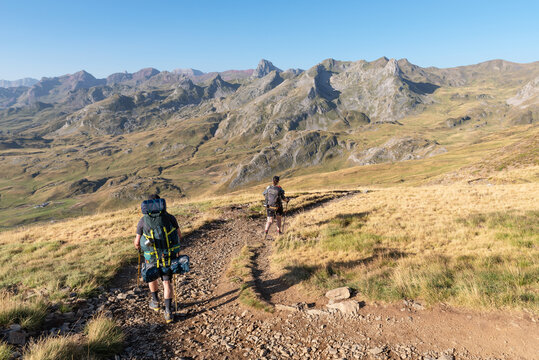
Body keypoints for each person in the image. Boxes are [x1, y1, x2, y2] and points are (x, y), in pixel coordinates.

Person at [134, 194, 181, 324]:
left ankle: (155, 302)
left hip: (151, 258)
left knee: (152, 277)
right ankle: (168, 312)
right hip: (168, 256)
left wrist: (140, 246)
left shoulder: (143, 220)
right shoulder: (170, 217)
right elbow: (179, 235)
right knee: (167, 282)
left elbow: (137, 242)